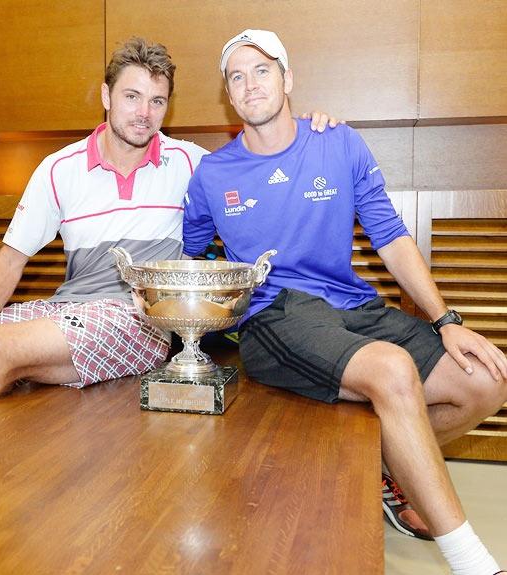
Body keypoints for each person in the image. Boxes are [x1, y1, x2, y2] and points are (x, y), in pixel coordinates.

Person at [182, 29, 506, 575]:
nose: (249, 84)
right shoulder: (212, 174)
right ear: (229, 97)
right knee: (393, 369)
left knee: (487, 380)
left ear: (288, 80)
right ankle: (473, 563)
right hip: (275, 314)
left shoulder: (339, 142)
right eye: (236, 77)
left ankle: (384, 469)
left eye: (262, 70)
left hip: (354, 305)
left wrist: (446, 320)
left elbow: (390, 234)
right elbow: (190, 263)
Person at [0, 38, 336, 419]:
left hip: (139, 319)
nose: (144, 113)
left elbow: (261, 167)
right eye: (132, 97)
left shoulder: (191, 164)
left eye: (157, 101)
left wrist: (307, 132)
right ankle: (0, 452)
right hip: (67, 310)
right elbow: (10, 261)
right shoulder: (59, 168)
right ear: (106, 96)